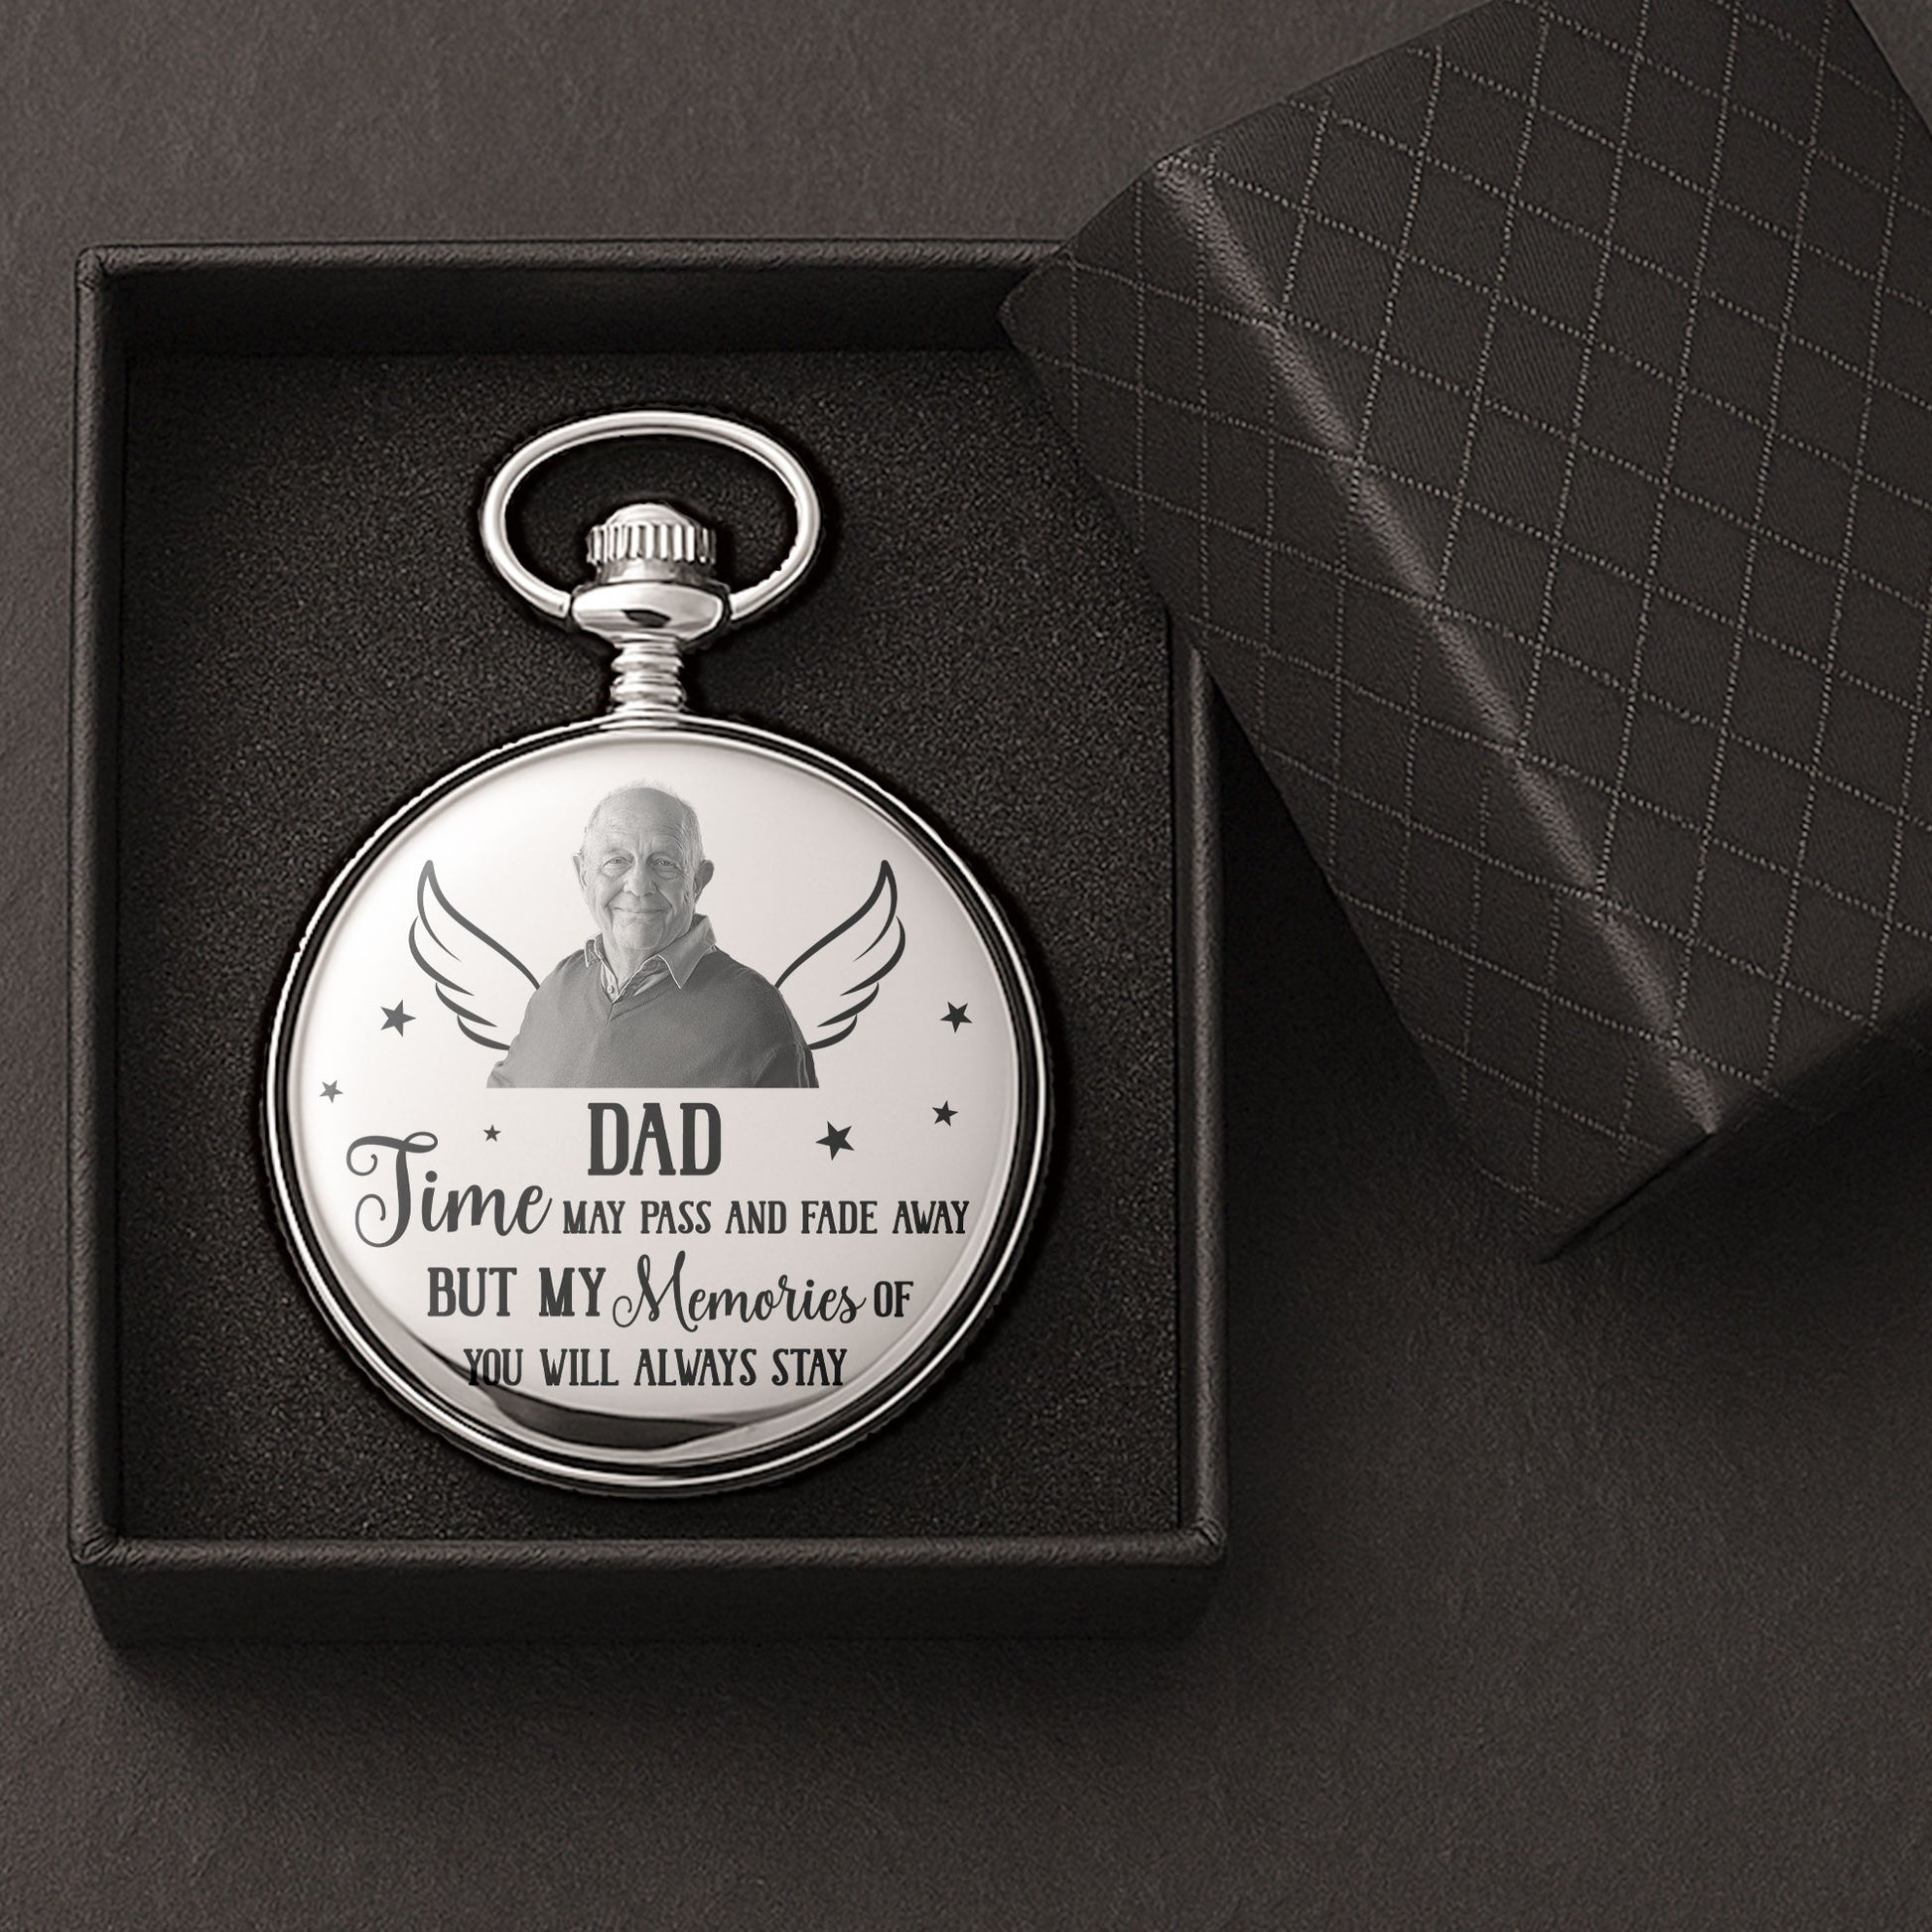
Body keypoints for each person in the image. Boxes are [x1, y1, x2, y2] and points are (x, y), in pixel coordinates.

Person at [488, 785, 816, 1088]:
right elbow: (499, 1117)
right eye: (616, 861)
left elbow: (794, 1134)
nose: (638, 885)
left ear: (697, 881)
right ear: (583, 876)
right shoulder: (557, 989)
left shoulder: (755, 1016)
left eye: (664, 862)